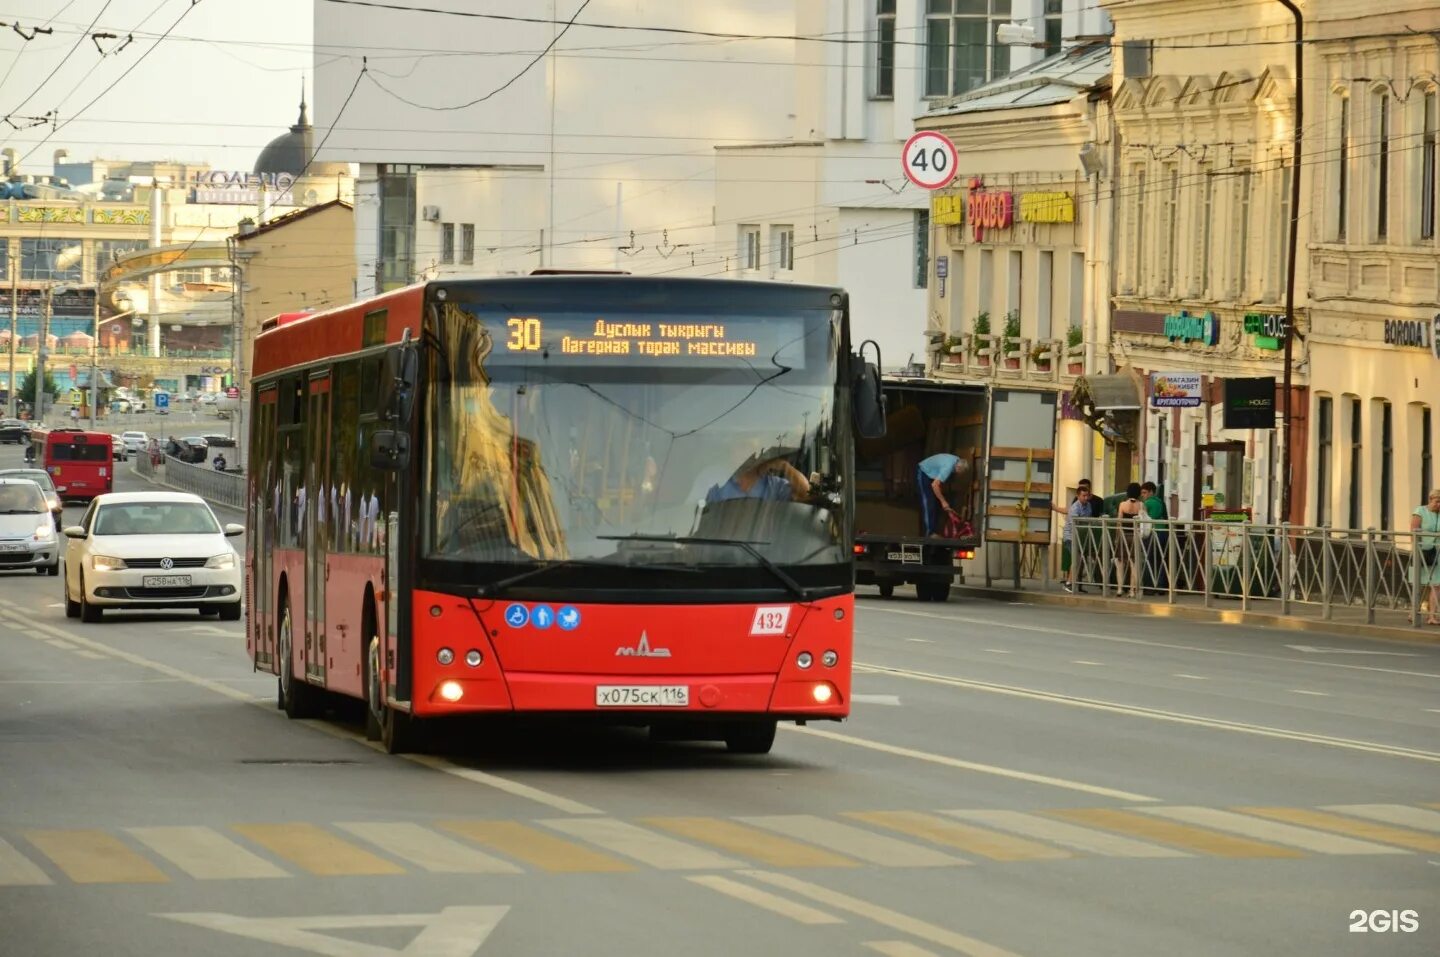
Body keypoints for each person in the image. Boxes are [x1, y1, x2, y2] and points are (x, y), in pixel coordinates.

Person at [706, 451, 810, 503]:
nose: (750, 454)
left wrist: (785, 467)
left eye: (755, 450)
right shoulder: (714, 479)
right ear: (733, 452)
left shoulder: (773, 485)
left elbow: (805, 492)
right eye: (744, 447)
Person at [1051, 485, 1095, 593]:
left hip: (1081, 537)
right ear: (1078, 496)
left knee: (1080, 559)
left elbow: (1088, 519)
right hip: (1070, 537)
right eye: (1083, 496)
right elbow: (1078, 522)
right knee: (1076, 558)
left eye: (1087, 496)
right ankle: (1069, 583)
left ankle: (1076, 584)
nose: (1085, 498)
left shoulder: (1088, 505)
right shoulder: (1075, 508)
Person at [916, 452, 969, 537]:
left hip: (930, 476)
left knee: (935, 504)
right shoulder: (948, 467)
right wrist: (943, 502)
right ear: (958, 467)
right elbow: (935, 485)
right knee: (928, 502)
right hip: (923, 472)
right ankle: (929, 533)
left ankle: (934, 531)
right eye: (959, 472)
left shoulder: (956, 460)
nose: (957, 474)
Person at [1412, 489, 1440, 626]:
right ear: (1430, 500)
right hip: (1423, 552)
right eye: (1437, 502)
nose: (1439, 505)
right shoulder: (1420, 511)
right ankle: (1413, 612)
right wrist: (1416, 550)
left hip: (1438, 554)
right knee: (1421, 584)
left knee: (1436, 585)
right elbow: (1414, 530)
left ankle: (1432, 616)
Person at [1114, 482, 1145, 597]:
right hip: (1135, 536)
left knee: (1120, 563)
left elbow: (1119, 522)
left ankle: (1120, 589)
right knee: (1133, 563)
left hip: (1123, 535)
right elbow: (1143, 522)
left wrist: (1117, 537)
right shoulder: (1141, 505)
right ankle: (1132, 590)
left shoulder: (1122, 505)